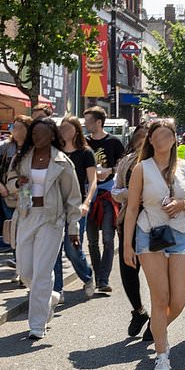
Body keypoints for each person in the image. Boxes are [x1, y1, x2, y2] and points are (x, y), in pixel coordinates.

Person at [123, 119, 185, 370]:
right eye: (157, 135)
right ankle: (162, 355)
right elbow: (132, 208)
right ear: (151, 140)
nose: (162, 139)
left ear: (174, 139)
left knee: (178, 301)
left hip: (179, 234)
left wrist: (182, 203)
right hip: (149, 234)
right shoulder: (141, 169)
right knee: (160, 298)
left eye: (168, 135)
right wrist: (127, 245)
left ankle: (158, 330)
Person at [9, 118, 82, 340]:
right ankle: (49, 297)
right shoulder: (22, 158)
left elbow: (73, 197)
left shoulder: (63, 162)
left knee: (42, 271)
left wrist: (73, 228)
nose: (37, 138)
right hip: (26, 215)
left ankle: (38, 324)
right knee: (25, 270)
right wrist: (17, 183)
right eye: (34, 134)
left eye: (42, 134)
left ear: (52, 136)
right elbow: (10, 179)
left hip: (52, 219)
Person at [113, 125, 151, 340]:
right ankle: (139, 311)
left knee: (156, 277)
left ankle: (157, 319)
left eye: (146, 138)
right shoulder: (127, 161)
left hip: (157, 224)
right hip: (129, 222)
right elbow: (115, 190)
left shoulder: (163, 163)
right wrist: (130, 193)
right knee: (128, 272)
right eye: (139, 138)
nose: (142, 142)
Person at [54, 116, 98, 301]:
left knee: (72, 248)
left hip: (76, 206)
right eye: (62, 128)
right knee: (54, 249)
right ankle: (57, 290)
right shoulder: (54, 152)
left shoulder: (85, 152)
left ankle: (87, 276)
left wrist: (87, 202)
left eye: (68, 128)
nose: (65, 131)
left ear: (76, 130)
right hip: (55, 207)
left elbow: (93, 181)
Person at [84, 106, 126, 293]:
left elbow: (123, 164)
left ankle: (103, 278)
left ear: (99, 122)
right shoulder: (83, 143)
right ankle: (97, 274)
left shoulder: (114, 142)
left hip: (108, 195)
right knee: (92, 240)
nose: (86, 125)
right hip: (89, 195)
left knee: (108, 239)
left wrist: (111, 171)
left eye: (89, 121)